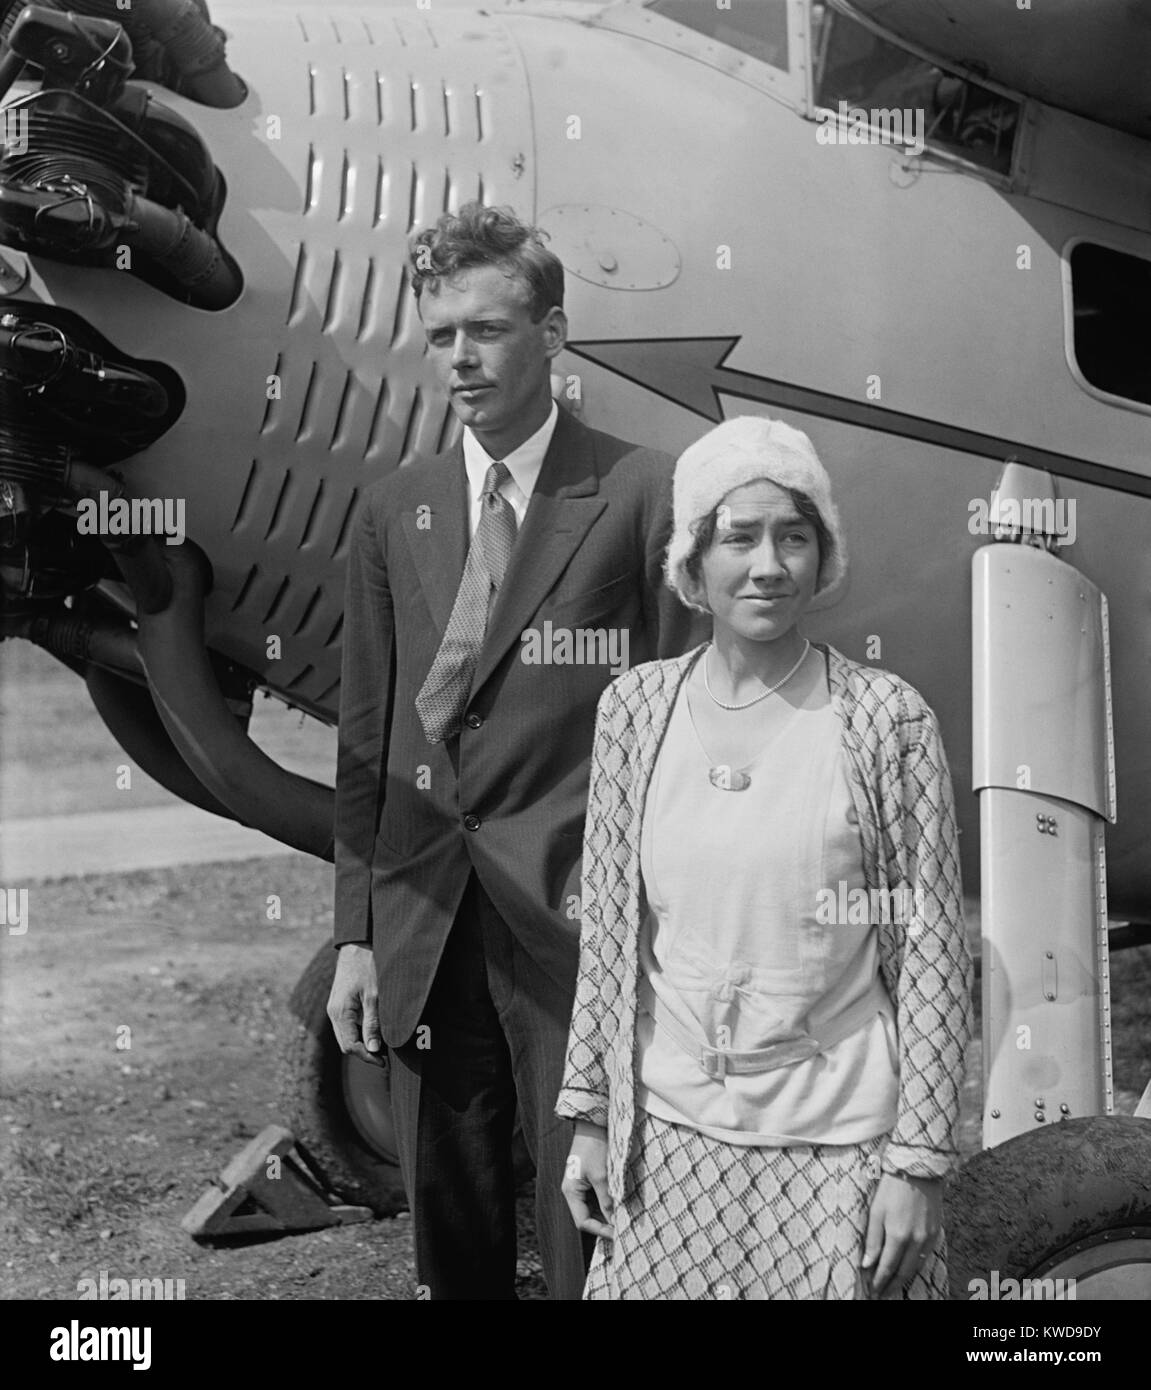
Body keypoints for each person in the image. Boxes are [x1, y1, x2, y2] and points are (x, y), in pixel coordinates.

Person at [326, 202, 704, 1300]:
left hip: (575, 923)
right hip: (422, 920)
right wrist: (355, 929)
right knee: (452, 1223)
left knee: (592, 1217)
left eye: (485, 330)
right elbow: (366, 741)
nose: (460, 357)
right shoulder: (392, 512)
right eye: (439, 334)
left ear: (550, 332)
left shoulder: (641, 491)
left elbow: (685, 724)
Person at [557, 415, 974, 1300]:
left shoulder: (881, 720)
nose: (768, 564)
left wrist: (918, 1162)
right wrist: (590, 1120)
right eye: (737, 537)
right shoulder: (635, 709)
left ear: (822, 558)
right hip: (665, 1151)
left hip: (837, 1158)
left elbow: (931, 948)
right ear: (693, 566)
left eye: (794, 536)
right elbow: (608, 931)